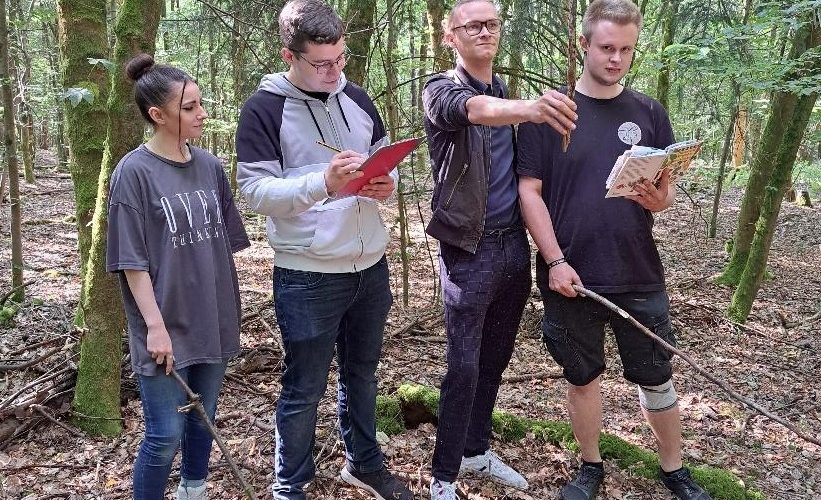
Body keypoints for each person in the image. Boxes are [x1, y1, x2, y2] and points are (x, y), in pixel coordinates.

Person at [516, 1, 713, 499]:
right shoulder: (551, 114)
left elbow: (665, 194)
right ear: (583, 44)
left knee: (656, 375)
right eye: (606, 48)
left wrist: (658, 196)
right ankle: (590, 466)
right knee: (582, 376)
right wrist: (554, 260)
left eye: (626, 49)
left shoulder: (648, 111)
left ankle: (674, 469)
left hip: (638, 268)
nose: (616, 59)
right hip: (573, 273)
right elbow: (528, 192)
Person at [234, 1, 412, 499]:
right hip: (307, 272)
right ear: (288, 54)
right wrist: (323, 184)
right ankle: (290, 485)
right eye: (321, 63)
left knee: (363, 373)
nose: (334, 72)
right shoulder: (264, 108)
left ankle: (364, 464)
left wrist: (385, 183)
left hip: (369, 265)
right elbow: (254, 192)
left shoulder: (355, 97)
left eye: (341, 59)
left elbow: (384, 159)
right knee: (304, 387)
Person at [421, 1, 578, 498]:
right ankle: (443, 477)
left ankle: (475, 451)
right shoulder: (441, 90)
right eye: (473, 25)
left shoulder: (500, 88)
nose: (485, 32)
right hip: (468, 251)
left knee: (495, 359)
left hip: (513, 244)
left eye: (492, 24)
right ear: (451, 36)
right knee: (462, 366)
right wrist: (531, 109)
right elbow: (472, 112)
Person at [106, 53, 250, 500]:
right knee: (164, 434)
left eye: (200, 104)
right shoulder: (134, 172)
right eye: (190, 107)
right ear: (158, 115)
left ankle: (194, 489)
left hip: (211, 315)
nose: (202, 113)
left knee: (202, 418)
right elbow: (131, 260)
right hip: (163, 324)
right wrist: (155, 328)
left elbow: (223, 243)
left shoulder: (209, 166)